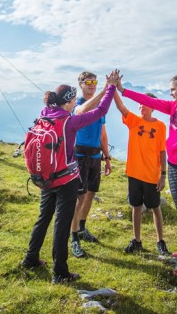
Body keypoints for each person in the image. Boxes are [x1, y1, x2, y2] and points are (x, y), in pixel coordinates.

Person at [22, 70, 120, 284]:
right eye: (74, 99)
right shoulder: (70, 122)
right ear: (68, 102)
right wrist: (110, 86)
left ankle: (31, 258)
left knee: (43, 218)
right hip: (65, 179)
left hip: (46, 177)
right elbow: (102, 108)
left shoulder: (45, 114)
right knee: (61, 223)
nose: (76, 102)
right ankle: (60, 272)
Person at [117, 73, 177, 279]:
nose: (170, 93)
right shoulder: (175, 107)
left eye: (173, 89)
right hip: (174, 166)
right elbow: (148, 101)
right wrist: (123, 90)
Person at [113, 90, 169, 255]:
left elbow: (162, 151)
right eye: (140, 103)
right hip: (134, 173)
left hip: (152, 174)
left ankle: (160, 241)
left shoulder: (160, 126)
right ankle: (136, 240)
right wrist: (113, 88)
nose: (141, 105)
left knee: (155, 208)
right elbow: (121, 106)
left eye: (145, 103)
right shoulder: (134, 121)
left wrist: (163, 175)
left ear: (153, 107)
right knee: (135, 206)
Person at [70, 71, 113, 258]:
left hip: (95, 156)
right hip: (79, 155)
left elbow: (103, 133)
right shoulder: (78, 104)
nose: (92, 85)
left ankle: (82, 228)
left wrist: (107, 157)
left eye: (94, 82)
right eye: (88, 82)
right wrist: (104, 90)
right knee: (78, 197)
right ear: (80, 84)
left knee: (90, 194)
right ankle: (74, 238)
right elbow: (81, 111)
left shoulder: (99, 107)